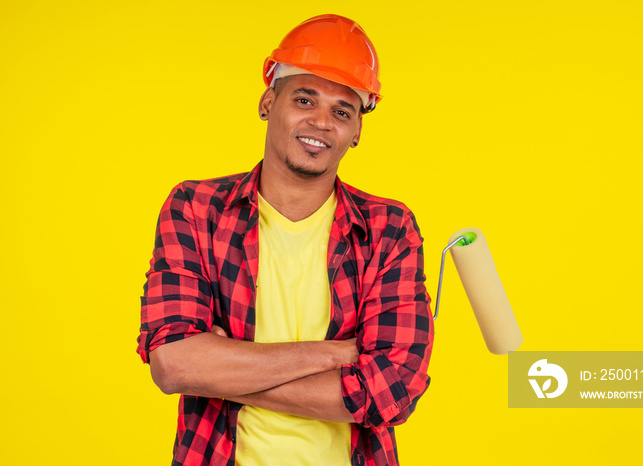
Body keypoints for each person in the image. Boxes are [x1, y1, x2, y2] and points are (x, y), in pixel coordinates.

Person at [137, 14, 434, 466]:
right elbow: (175, 364)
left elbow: (391, 392)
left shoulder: (387, 229)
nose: (320, 122)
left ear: (357, 132)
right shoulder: (196, 209)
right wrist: (333, 355)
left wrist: (221, 369)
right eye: (304, 99)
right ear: (267, 102)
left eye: (342, 110)